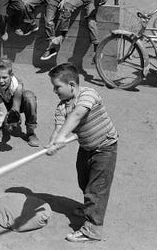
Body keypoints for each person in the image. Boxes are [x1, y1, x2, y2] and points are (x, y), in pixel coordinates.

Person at [47, 63, 118, 242]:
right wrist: (52, 143)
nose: (54, 91)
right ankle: (89, 207)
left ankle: (92, 230)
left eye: (57, 87)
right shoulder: (61, 107)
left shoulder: (88, 94)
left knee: (96, 189)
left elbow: (77, 115)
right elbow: (59, 128)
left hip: (105, 147)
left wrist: (62, 136)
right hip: (86, 147)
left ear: (71, 85)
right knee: (84, 182)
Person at [0, 58, 39, 147]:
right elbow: (1, 105)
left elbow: (15, 107)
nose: (1, 81)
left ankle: (30, 132)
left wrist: (13, 117)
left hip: (17, 104)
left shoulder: (18, 85)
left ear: (11, 75)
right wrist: (3, 115)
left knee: (29, 97)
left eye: (4, 77)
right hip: (3, 103)